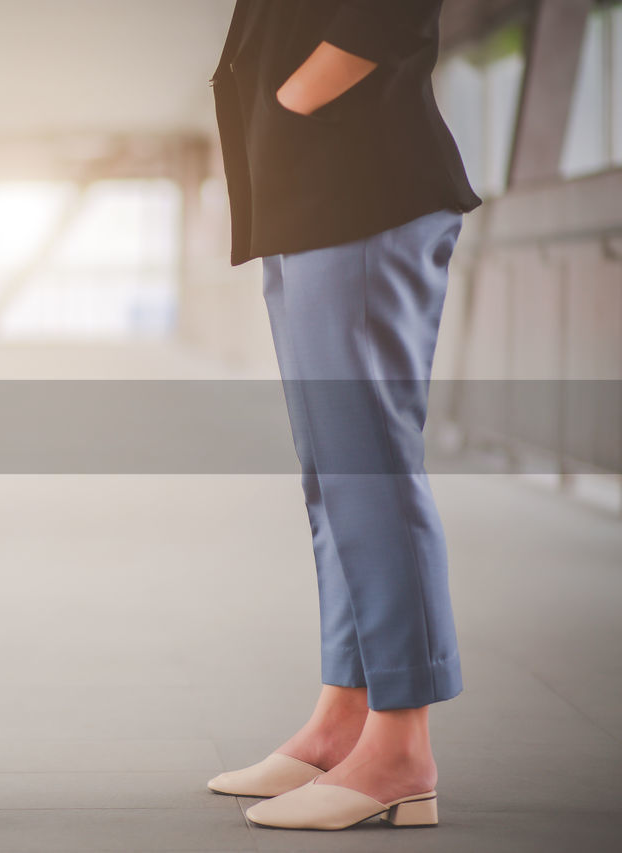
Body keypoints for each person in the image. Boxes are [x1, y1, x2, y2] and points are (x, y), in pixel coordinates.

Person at [204, 0, 481, 831]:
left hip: (361, 184)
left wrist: (296, 99)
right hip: (307, 191)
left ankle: (400, 746)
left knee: (370, 469)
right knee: (332, 474)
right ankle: (344, 718)